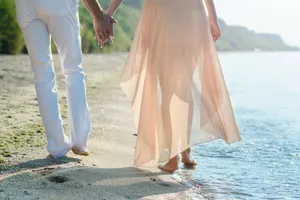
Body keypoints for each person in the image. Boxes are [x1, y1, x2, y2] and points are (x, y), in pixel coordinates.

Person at [107, 0, 242, 173]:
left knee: (169, 89)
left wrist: (109, 12)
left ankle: (174, 158)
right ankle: (184, 153)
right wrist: (212, 18)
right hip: (190, 13)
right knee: (183, 86)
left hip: (162, 14)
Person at [14, 0, 115, 158]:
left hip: (26, 6)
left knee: (42, 74)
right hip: (59, 5)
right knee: (73, 69)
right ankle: (79, 141)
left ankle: (57, 146)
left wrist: (99, 16)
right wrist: (99, 15)